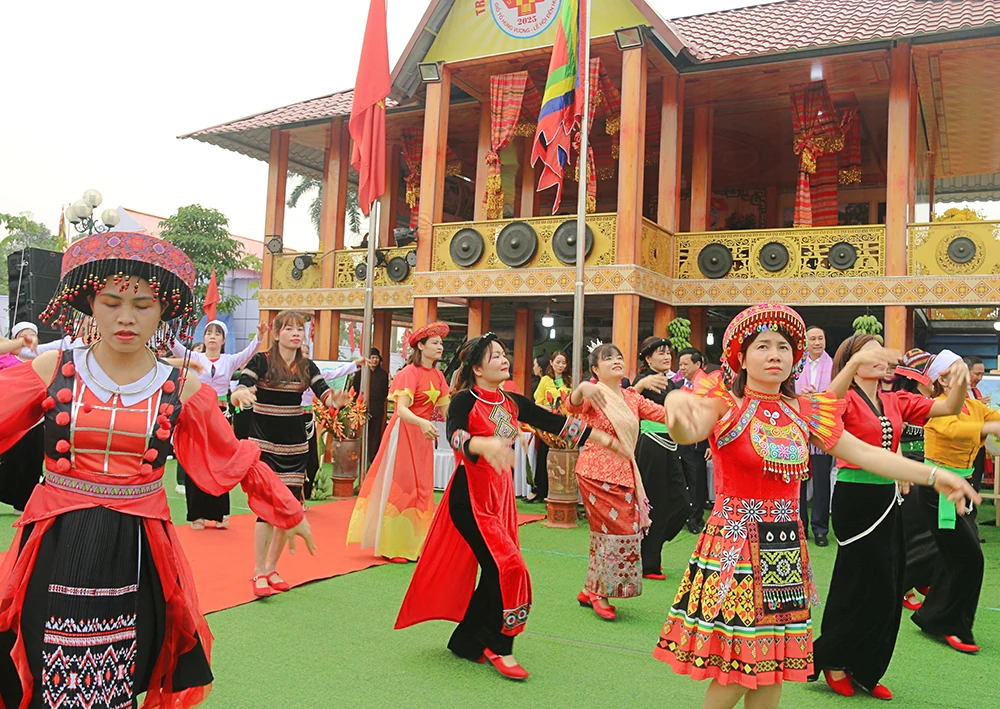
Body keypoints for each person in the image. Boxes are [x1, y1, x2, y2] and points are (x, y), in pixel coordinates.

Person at [0, 231, 315, 709]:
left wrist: (286, 508)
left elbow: (231, 454)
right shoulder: (53, 366)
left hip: (138, 543)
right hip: (57, 535)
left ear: (165, 310)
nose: (126, 317)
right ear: (90, 303)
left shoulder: (181, 386)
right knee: (46, 649)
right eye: (111, 301)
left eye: (143, 305)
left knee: (127, 657)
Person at [653, 303, 979, 709]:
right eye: (763, 346)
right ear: (740, 357)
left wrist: (933, 475)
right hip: (736, 550)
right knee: (739, 671)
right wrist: (676, 412)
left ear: (794, 360)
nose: (775, 354)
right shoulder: (725, 404)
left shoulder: (804, 410)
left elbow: (863, 452)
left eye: (784, 348)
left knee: (773, 670)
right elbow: (690, 430)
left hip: (786, 548)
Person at [395, 334, 625, 680]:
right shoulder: (463, 401)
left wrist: (604, 438)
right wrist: (480, 444)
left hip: (499, 498)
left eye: (505, 354)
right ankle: (502, 646)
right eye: (496, 356)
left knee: (494, 569)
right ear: (476, 368)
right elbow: (454, 436)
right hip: (470, 497)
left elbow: (556, 424)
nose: (505, 360)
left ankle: (468, 640)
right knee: (510, 567)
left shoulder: (510, 403)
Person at [811, 336, 967, 700]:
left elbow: (948, 408)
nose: (882, 358)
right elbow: (822, 412)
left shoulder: (896, 399)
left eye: (884, 352)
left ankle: (867, 666)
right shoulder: (844, 396)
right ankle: (833, 659)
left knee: (888, 585)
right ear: (852, 360)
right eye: (872, 353)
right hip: (854, 498)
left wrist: (958, 380)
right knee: (855, 581)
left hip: (887, 497)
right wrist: (849, 367)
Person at [232, 310, 352, 597]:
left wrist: (337, 399)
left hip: (296, 447)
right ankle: (258, 571)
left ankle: (272, 568)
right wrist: (240, 394)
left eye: (301, 329)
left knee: (289, 510)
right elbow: (243, 385)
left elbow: (325, 395)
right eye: (290, 329)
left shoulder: (307, 366)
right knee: (265, 511)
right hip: (263, 446)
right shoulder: (261, 361)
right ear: (276, 334)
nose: (297, 333)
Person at [566, 342, 666, 621]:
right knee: (615, 532)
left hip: (624, 473)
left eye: (619, 357)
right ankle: (600, 592)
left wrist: (698, 412)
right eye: (608, 358)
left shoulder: (632, 397)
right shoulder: (593, 394)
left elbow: (663, 414)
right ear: (595, 369)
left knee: (617, 532)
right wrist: (582, 388)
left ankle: (590, 589)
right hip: (595, 472)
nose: (616, 360)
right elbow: (571, 408)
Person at [911, 350, 1000, 653]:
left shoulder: (975, 406)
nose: (966, 376)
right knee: (969, 557)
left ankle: (931, 615)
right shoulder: (935, 407)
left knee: (953, 555)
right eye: (958, 371)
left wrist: (992, 425)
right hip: (938, 490)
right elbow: (955, 429)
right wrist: (987, 429)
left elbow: (995, 420)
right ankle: (953, 624)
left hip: (966, 488)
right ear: (943, 380)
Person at [346, 322, 451, 562]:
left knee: (422, 486)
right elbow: (401, 410)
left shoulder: (438, 375)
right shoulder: (408, 373)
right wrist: (423, 423)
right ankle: (392, 545)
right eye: (435, 343)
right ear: (421, 346)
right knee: (400, 486)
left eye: (441, 343)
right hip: (404, 433)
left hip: (423, 436)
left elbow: (447, 410)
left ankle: (416, 543)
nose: (440, 347)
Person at [170, 319, 264, 529]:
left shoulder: (229, 360)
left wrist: (259, 337)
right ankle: (196, 515)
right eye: (208, 333)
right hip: (195, 416)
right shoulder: (193, 357)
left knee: (220, 462)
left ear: (223, 339)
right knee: (196, 462)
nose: (212, 337)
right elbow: (174, 346)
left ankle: (220, 513)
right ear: (203, 338)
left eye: (217, 334)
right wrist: (166, 328)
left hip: (220, 415)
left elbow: (248, 353)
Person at [632, 337, 690, 580]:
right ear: (648, 358)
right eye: (661, 353)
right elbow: (626, 402)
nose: (667, 357)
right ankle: (650, 563)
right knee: (655, 503)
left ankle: (650, 548)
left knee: (682, 503)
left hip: (672, 445)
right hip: (651, 445)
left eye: (668, 353)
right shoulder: (642, 382)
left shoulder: (672, 381)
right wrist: (641, 384)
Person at [893, 350, 946, 610]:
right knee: (915, 529)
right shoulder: (902, 398)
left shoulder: (937, 400)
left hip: (931, 466)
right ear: (922, 378)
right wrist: (900, 468)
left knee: (934, 526)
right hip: (909, 465)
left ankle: (923, 575)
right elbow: (891, 433)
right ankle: (905, 585)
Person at [794, 325, 834, 545]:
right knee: (798, 482)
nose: (817, 342)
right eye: (813, 339)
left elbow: (839, 394)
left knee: (821, 481)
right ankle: (800, 525)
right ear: (805, 342)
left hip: (822, 430)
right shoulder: (796, 365)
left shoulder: (834, 365)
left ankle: (820, 529)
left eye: (821, 338)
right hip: (798, 429)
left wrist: (821, 397)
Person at [531, 350, 572, 503]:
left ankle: (564, 490)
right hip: (547, 422)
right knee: (545, 455)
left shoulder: (570, 381)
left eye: (564, 362)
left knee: (565, 456)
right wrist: (545, 408)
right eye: (558, 362)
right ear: (551, 363)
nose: (561, 365)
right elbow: (537, 402)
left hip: (564, 423)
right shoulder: (545, 380)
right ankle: (543, 491)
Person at [677, 347, 710, 533]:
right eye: (680, 364)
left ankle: (695, 518)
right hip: (681, 440)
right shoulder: (679, 384)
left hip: (698, 441)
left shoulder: (707, 385)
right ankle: (686, 515)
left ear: (698, 364)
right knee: (683, 480)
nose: (682, 368)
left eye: (685, 364)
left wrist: (710, 443)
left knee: (697, 481)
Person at [351, 347, 391, 468]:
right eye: (372, 358)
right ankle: (358, 458)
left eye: (376, 358)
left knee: (375, 434)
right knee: (361, 434)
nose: (374, 360)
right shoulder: (360, 373)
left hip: (377, 409)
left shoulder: (383, 375)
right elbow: (355, 389)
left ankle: (373, 459)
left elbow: (385, 392)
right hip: (361, 409)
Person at [964, 355, 990, 536]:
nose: (979, 378)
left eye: (982, 374)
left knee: (975, 486)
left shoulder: (977, 392)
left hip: (978, 446)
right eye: (976, 373)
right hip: (963, 447)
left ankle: (972, 527)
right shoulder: (958, 392)